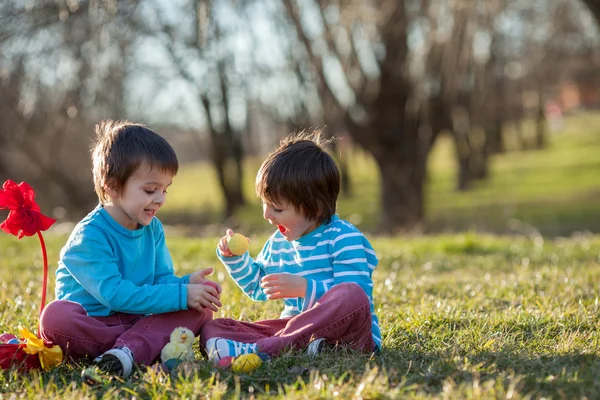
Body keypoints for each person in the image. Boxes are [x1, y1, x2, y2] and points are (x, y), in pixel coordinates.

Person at [39, 120, 222, 378]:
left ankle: (125, 353)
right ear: (111, 186)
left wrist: (186, 285)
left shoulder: (153, 228)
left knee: (201, 307)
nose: (160, 199)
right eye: (150, 189)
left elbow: (161, 281)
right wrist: (181, 295)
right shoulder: (90, 236)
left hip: (138, 319)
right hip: (95, 326)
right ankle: (141, 347)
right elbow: (114, 295)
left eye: (164, 189)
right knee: (55, 316)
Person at [201, 131, 381, 362]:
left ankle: (265, 349)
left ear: (314, 208)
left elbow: (357, 301)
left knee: (352, 295)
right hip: (295, 330)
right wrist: (235, 258)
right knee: (215, 328)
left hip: (350, 338)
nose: (267, 215)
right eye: (264, 205)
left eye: (277, 208)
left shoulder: (342, 238)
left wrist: (306, 288)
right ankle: (297, 347)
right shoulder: (278, 243)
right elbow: (259, 286)